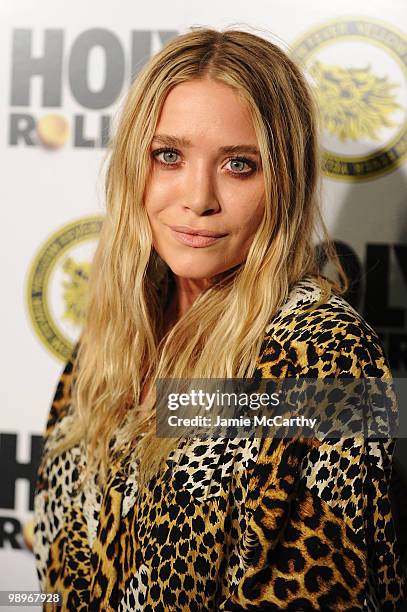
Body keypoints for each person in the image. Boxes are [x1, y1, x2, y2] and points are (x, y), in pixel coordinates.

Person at [33, 26, 406, 611]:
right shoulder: (114, 335)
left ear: (283, 182)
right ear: (136, 164)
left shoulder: (324, 353)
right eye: (169, 156)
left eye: (238, 165)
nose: (198, 197)